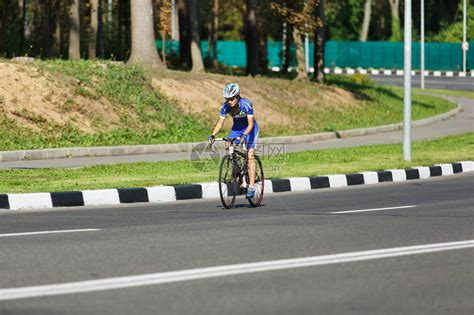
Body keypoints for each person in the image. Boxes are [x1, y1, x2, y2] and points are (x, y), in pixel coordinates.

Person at [209, 83, 259, 199]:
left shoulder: (246, 105)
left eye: (231, 99)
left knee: (250, 154)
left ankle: (251, 186)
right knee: (228, 145)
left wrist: (244, 135)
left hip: (250, 129)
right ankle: (239, 173)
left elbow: (251, 124)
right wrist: (212, 135)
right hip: (236, 129)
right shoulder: (225, 107)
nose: (229, 102)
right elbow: (220, 123)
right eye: (227, 99)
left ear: (238, 96)